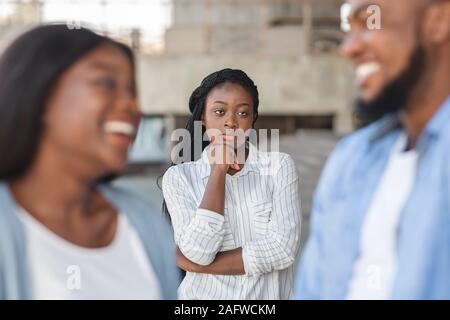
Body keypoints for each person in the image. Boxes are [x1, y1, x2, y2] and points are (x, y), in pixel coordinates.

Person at [0, 24, 179, 299]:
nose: (132, 106)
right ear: (41, 95)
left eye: (132, 91)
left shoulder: (144, 223)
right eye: (106, 84)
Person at [295, 0, 450, 299]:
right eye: (348, 28)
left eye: (368, 22)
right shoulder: (350, 160)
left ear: (439, 21)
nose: (348, 48)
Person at [162, 68, 301, 299]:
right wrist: (218, 171)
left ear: (253, 118)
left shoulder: (278, 167)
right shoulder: (179, 177)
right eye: (219, 111)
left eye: (243, 113)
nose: (230, 122)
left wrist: (200, 267)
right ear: (203, 118)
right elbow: (199, 252)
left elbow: (283, 250)